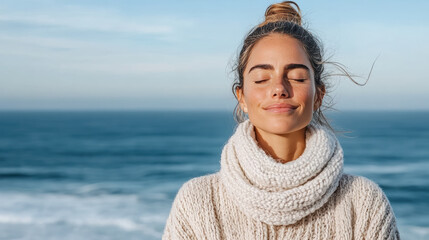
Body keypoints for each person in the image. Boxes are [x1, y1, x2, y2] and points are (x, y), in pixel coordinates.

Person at [162, 1, 400, 239]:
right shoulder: (197, 202)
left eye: (296, 77)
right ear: (241, 97)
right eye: (261, 79)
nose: (279, 89)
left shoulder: (363, 202)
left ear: (318, 95)